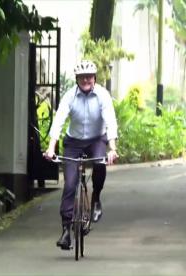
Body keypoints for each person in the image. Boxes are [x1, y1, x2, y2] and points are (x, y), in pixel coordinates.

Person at [44, 60, 119, 250]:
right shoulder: (70, 96)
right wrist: (51, 148)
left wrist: (112, 148)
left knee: (100, 165)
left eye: (89, 77)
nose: (86, 80)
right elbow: (59, 120)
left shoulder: (102, 95)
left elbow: (110, 120)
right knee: (69, 184)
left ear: (94, 78)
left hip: (96, 139)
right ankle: (66, 231)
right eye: (82, 77)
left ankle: (96, 199)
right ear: (77, 79)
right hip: (73, 142)